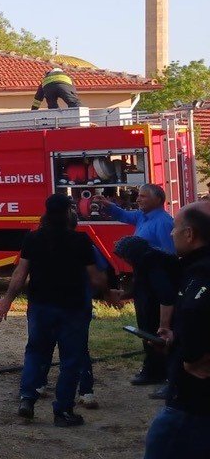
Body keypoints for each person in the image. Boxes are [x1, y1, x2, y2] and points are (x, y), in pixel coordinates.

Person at [0, 194, 120, 426]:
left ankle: (27, 399)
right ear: (67, 213)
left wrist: (7, 300)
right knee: (70, 359)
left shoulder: (32, 239)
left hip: (40, 306)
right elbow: (94, 277)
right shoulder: (80, 241)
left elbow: (20, 273)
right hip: (72, 308)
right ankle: (62, 411)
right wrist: (108, 293)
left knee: (35, 352)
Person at [143, 201, 210, 458]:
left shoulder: (200, 274)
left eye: (175, 228)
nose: (171, 234)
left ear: (190, 234)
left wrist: (192, 356)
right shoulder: (191, 269)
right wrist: (174, 337)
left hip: (192, 401)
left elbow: (195, 313)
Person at [99, 184, 175, 389]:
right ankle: (152, 369)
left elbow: (170, 256)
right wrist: (109, 206)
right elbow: (126, 216)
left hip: (157, 279)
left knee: (154, 325)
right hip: (143, 277)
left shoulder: (164, 222)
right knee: (144, 324)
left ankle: (165, 373)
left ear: (158, 200)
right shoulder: (143, 216)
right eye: (138, 196)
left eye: (143, 196)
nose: (138, 199)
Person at [114, 234, 179, 399]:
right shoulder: (142, 262)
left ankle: (173, 383)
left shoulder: (153, 262)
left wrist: (164, 325)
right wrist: (121, 295)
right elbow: (141, 286)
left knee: (166, 346)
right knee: (149, 341)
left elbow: (166, 296)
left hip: (160, 311)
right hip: (148, 309)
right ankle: (153, 372)